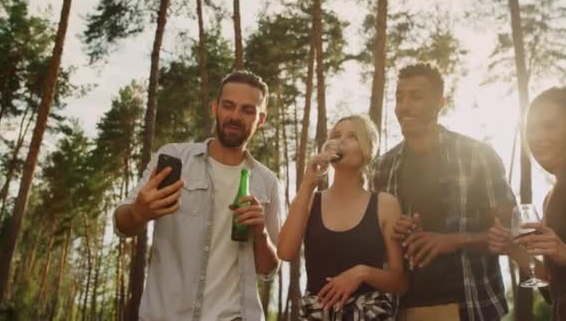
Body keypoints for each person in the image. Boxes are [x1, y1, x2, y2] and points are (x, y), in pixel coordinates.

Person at [113, 71, 283, 321]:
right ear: (216, 108)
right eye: (228, 106)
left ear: (261, 119)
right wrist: (138, 212)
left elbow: (269, 269)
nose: (235, 116)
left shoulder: (267, 182)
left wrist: (261, 234)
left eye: (248, 110)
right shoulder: (173, 157)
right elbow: (121, 224)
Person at [370, 63, 515, 321]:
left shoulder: (478, 156)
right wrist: (392, 232)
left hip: (470, 306)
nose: (404, 106)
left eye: (416, 96)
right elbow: (374, 246)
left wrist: (453, 240)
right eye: (399, 97)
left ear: (440, 102)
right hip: (401, 309)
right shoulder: (382, 167)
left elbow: (510, 232)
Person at [488, 86, 566, 320]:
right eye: (531, 129)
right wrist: (512, 249)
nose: (538, 137)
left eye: (549, 126)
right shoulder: (550, 200)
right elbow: (555, 290)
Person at [278, 114, 406, 320]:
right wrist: (309, 182)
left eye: (352, 136)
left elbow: (399, 281)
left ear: (367, 149)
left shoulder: (385, 205)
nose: (341, 141)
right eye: (336, 135)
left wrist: (362, 273)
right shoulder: (310, 201)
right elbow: (285, 252)